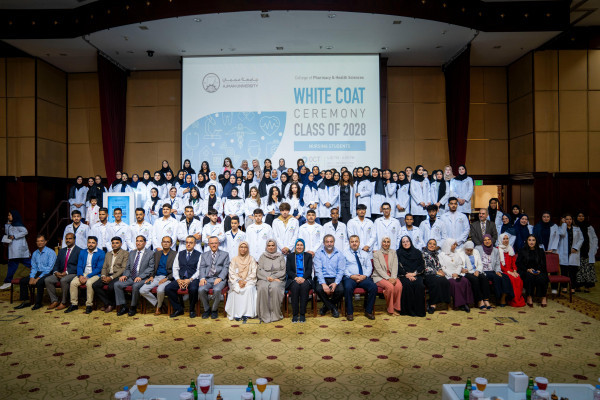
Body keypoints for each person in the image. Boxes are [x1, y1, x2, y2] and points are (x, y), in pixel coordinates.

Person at [114, 235, 155, 317]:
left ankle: (133, 307)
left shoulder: (150, 253)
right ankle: (124, 306)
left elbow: (151, 268)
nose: (138, 243)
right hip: (131, 277)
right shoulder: (132, 253)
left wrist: (141, 277)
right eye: (137, 241)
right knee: (117, 284)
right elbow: (128, 267)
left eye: (140, 241)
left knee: (135, 286)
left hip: (143, 278)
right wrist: (125, 275)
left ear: (145, 243)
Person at [14, 234, 57, 310]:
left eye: (41, 241)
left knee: (39, 282)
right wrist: (32, 277)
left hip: (48, 273)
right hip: (37, 272)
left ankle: (38, 303)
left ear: (45, 242)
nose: (40, 243)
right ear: (36, 243)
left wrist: (38, 278)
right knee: (23, 281)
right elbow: (33, 267)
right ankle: (26, 301)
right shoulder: (35, 253)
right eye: (38, 241)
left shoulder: (51, 252)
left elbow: (49, 268)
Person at [65, 236, 105, 314]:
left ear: (96, 244)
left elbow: (99, 268)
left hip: (95, 274)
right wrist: (80, 275)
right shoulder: (82, 252)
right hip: (83, 274)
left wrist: (87, 277)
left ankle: (89, 305)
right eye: (89, 242)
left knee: (89, 283)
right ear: (87, 243)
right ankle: (74, 304)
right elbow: (79, 265)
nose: (91, 244)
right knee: (73, 283)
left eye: (93, 243)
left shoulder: (101, 253)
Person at [343, 235, 378, 320]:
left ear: (359, 242)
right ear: (349, 243)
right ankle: (350, 313)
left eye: (356, 241)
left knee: (373, 287)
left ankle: (368, 311)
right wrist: (351, 276)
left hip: (363, 277)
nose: (354, 243)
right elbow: (342, 268)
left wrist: (364, 276)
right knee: (347, 287)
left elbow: (369, 267)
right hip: (350, 277)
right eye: (352, 241)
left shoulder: (365, 254)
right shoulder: (344, 254)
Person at [165, 236, 201, 318]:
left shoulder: (199, 255)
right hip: (181, 278)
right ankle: (178, 309)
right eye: (187, 242)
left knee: (193, 289)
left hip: (192, 278)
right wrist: (178, 279)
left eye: (191, 243)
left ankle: (192, 310)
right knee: (168, 288)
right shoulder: (180, 253)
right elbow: (175, 268)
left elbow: (199, 270)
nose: (188, 244)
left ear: (195, 244)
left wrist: (190, 279)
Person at [139, 236, 176, 315]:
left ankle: (158, 308)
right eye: (164, 242)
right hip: (155, 277)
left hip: (168, 278)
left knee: (160, 290)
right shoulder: (157, 254)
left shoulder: (175, 254)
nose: (165, 243)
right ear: (161, 243)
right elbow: (152, 267)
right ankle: (159, 304)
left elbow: (176, 270)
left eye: (167, 242)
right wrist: (151, 276)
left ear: (171, 244)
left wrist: (166, 278)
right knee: (142, 290)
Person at [44, 232, 81, 310]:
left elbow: (79, 266)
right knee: (48, 280)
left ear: (74, 240)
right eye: (66, 239)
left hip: (72, 273)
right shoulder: (61, 251)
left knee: (64, 280)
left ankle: (64, 302)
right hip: (60, 273)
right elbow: (56, 263)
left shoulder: (79, 251)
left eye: (70, 238)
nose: (68, 240)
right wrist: (56, 272)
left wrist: (66, 272)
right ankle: (54, 301)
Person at [92, 237, 128, 313]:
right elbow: (104, 267)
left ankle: (109, 304)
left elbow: (123, 269)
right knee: (95, 285)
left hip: (118, 276)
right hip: (107, 275)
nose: (114, 245)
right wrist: (103, 276)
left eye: (117, 243)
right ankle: (109, 303)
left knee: (111, 286)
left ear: (121, 244)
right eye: (113, 243)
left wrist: (111, 278)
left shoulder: (125, 253)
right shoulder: (108, 254)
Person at [197, 236, 230, 319]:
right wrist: (202, 278)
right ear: (208, 244)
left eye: (215, 243)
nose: (214, 245)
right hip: (207, 279)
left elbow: (226, 267)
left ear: (218, 243)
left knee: (217, 290)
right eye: (212, 243)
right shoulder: (204, 255)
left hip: (219, 279)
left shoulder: (225, 254)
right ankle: (207, 309)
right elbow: (202, 267)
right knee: (201, 289)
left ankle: (214, 310)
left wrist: (220, 278)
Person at [224, 241, 258, 321]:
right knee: (236, 288)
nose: (243, 249)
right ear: (238, 248)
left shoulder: (251, 259)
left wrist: (245, 281)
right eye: (241, 247)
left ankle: (247, 313)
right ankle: (237, 313)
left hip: (249, 281)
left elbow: (254, 272)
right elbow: (231, 273)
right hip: (236, 281)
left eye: (245, 247)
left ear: (248, 249)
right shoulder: (234, 259)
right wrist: (239, 281)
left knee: (248, 289)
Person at [438, 238, 473, 312]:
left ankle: (466, 302)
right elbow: (443, 267)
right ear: (448, 245)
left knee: (466, 281)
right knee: (455, 284)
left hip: (457, 273)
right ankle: (461, 304)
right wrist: (452, 274)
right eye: (454, 244)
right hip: (448, 275)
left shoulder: (456, 253)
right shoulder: (441, 255)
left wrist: (456, 273)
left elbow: (460, 265)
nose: (455, 246)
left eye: (455, 244)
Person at [314, 234, 345, 318]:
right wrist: (323, 284)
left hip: (335, 278)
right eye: (327, 242)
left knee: (341, 290)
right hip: (322, 277)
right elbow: (318, 270)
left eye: (331, 241)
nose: (329, 244)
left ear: (334, 242)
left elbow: (341, 270)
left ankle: (325, 308)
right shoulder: (318, 253)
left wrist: (336, 283)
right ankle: (333, 308)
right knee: (319, 289)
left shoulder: (339, 254)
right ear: (324, 243)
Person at [256, 239, 286, 323]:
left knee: (275, 287)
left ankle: (275, 315)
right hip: (264, 278)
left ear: (276, 246)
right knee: (263, 287)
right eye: (269, 246)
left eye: (273, 245)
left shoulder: (280, 256)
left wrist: (273, 277)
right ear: (266, 246)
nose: (271, 247)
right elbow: (259, 269)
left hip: (277, 279)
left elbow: (283, 271)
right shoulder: (262, 256)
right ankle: (264, 315)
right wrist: (268, 277)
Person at [396, 236, 426, 317]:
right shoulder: (398, 253)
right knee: (407, 285)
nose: (405, 243)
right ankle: (408, 311)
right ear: (401, 244)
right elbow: (397, 266)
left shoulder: (417, 252)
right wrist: (407, 274)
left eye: (407, 241)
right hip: (404, 275)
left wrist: (414, 274)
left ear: (410, 242)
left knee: (419, 285)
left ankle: (419, 311)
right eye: (403, 242)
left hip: (416, 274)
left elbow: (422, 265)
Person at [286, 239, 314, 322]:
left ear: (304, 246)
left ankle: (302, 314)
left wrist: (303, 278)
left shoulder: (308, 256)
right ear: (295, 246)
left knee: (304, 287)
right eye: (297, 245)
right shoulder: (290, 256)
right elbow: (288, 270)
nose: (299, 246)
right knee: (295, 287)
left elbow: (309, 270)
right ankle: (295, 314)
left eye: (301, 245)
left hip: (305, 278)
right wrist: (296, 277)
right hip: (294, 279)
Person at [516, 235, 549, 307]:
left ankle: (543, 297)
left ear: (536, 241)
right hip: (526, 270)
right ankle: (529, 296)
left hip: (539, 270)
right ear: (527, 241)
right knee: (529, 276)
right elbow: (519, 263)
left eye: (533, 240)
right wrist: (527, 269)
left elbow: (543, 263)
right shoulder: (522, 250)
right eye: (529, 240)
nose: (531, 242)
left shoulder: (540, 251)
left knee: (542, 277)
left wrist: (539, 270)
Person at [373, 237, 402, 316]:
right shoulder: (376, 254)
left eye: (388, 242)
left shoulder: (393, 252)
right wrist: (388, 278)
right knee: (390, 287)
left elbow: (395, 266)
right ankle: (390, 309)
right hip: (379, 277)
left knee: (398, 285)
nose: (386, 244)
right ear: (381, 243)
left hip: (392, 276)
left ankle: (396, 307)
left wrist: (393, 277)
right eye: (384, 242)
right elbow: (378, 269)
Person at [2, 210, 31, 290]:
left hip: (19, 248)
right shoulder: (11, 224)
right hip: (14, 249)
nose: (8, 217)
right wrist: (7, 225)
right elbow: (7, 233)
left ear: (14, 216)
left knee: (17, 264)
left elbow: (25, 232)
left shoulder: (18, 224)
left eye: (10, 215)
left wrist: (15, 236)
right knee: (25, 263)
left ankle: (8, 281)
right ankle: (8, 281)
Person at [421, 238, 452, 314]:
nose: (432, 245)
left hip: (437, 274)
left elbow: (438, 265)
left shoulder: (437, 254)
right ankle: (432, 304)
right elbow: (424, 267)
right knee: (436, 282)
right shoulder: (423, 254)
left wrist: (440, 270)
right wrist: (436, 272)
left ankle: (445, 302)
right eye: (430, 243)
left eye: (434, 244)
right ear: (427, 245)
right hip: (427, 275)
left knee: (445, 281)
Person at [461, 241, 492, 310]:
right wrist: (461, 269)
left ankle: (486, 299)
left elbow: (480, 264)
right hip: (466, 272)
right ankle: (479, 300)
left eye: (470, 250)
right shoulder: (460, 253)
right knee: (475, 280)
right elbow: (458, 264)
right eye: (467, 250)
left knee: (484, 278)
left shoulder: (476, 252)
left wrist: (478, 270)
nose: (469, 251)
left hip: (475, 270)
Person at [557, 214, 583, 295]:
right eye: (567, 219)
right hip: (564, 252)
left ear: (572, 220)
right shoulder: (560, 228)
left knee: (573, 272)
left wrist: (576, 247)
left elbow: (581, 239)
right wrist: (564, 224)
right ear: (563, 220)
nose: (569, 221)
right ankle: (564, 287)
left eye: (570, 219)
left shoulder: (577, 229)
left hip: (573, 252)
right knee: (564, 271)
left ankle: (572, 287)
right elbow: (563, 234)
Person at [498, 233, 525, 307]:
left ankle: (517, 299)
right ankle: (511, 299)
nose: (506, 240)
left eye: (507, 239)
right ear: (500, 240)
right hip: (503, 270)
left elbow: (514, 262)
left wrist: (515, 271)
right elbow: (499, 264)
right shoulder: (498, 249)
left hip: (511, 270)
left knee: (518, 278)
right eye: (504, 239)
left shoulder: (510, 248)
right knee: (512, 279)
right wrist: (509, 272)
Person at [575, 212, 598, 291]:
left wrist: (594, 249)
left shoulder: (589, 227)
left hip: (587, 251)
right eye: (579, 216)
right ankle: (577, 285)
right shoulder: (574, 226)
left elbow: (594, 238)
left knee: (588, 269)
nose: (581, 218)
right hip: (577, 250)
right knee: (578, 269)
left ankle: (587, 286)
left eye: (582, 216)